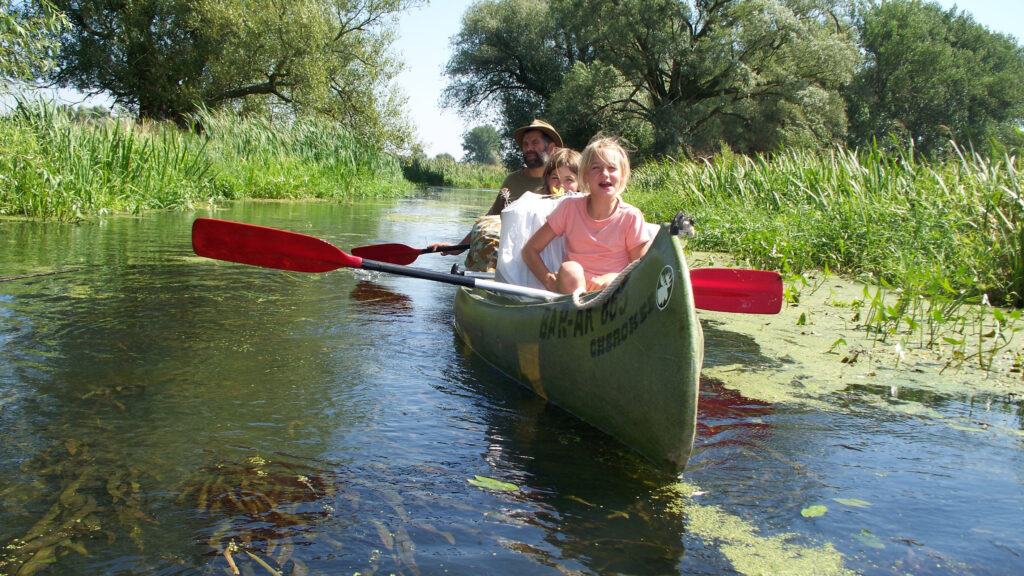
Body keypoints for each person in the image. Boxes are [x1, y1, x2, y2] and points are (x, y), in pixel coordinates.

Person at [522, 136, 652, 294]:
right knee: (570, 271)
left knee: (609, 284)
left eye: (612, 168)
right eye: (596, 168)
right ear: (585, 177)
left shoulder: (631, 216)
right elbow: (529, 250)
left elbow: (643, 267)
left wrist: (616, 277)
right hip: (572, 291)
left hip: (611, 294)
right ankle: (571, 307)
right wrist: (547, 278)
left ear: (623, 176)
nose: (605, 174)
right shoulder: (569, 208)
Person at [428, 119, 562, 262]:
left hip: (549, 259)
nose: (529, 148)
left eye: (535, 143)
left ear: (551, 148)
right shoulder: (512, 180)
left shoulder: (563, 182)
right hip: (512, 259)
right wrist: (457, 248)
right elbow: (490, 220)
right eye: (525, 144)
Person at [495, 147, 582, 289]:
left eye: (569, 180)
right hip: (541, 274)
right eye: (555, 178)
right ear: (547, 179)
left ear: (580, 183)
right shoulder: (535, 204)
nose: (561, 186)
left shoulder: (584, 206)